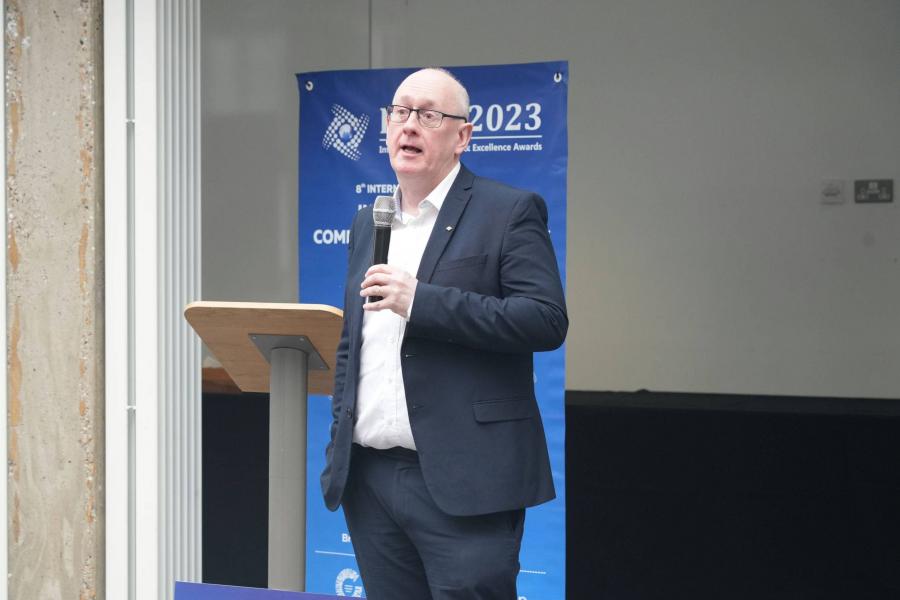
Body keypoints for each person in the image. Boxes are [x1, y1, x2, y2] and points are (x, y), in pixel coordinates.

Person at [320, 67, 568, 599]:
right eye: (400, 112)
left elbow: (545, 319)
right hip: (371, 479)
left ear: (462, 136)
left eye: (429, 115)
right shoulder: (369, 221)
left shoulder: (508, 211)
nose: (409, 125)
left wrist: (421, 301)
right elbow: (353, 345)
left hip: (467, 482)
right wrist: (339, 444)